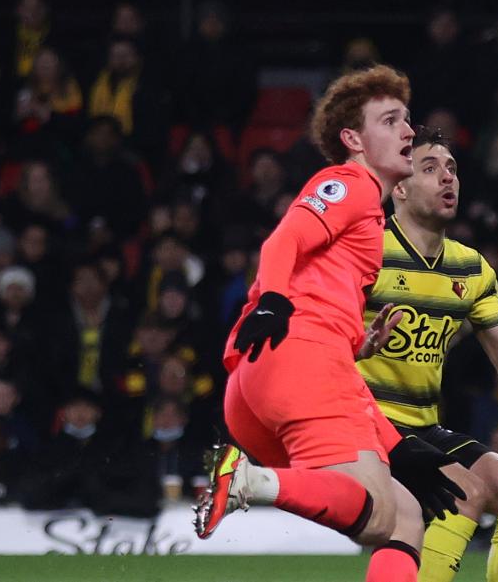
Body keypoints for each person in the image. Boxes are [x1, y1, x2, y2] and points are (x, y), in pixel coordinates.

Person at [192, 65, 463, 582]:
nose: (409, 131)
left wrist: (398, 447)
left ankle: (256, 480)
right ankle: (251, 482)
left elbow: (321, 315)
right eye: (390, 121)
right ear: (352, 140)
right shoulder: (351, 182)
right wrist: (271, 300)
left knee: (404, 517)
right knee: (379, 514)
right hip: (299, 358)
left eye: (408, 120)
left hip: (262, 380)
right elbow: (282, 242)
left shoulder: (367, 214)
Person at [356, 126, 498, 582]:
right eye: (430, 168)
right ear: (399, 186)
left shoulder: (471, 267)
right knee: (460, 490)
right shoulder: (367, 250)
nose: (447, 178)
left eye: (452, 168)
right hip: (366, 423)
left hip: (423, 426)